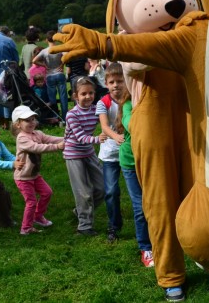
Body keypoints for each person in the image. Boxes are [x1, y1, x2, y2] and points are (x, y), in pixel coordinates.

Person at [63, 77, 107, 236]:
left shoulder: (96, 110)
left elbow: (106, 122)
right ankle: (84, 226)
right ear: (75, 96)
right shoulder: (71, 115)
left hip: (88, 152)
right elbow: (80, 137)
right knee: (84, 192)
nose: (88, 96)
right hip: (73, 154)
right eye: (83, 94)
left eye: (91, 93)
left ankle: (80, 210)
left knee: (103, 188)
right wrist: (98, 139)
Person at [116, 88, 154, 267]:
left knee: (155, 203)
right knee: (140, 207)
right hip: (131, 163)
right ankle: (146, 248)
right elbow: (132, 124)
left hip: (151, 162)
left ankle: (159, 241)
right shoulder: (128, 105)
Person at [11, 105, 64, 235]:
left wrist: (67, 139)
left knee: (47, 193)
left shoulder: (37, 133)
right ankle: (26, 228)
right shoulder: (22, 138)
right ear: (18, 124)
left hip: (34, 175)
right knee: (31, 202)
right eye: (27, 120)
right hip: (23, 177)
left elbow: (51, 138)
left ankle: (38, 216)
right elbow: (37, 148)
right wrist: (57, 147)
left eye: (33, 119)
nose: (32, 122)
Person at [95, 63, 126, 242]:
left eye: (119, 81)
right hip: (110, 154)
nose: (116, 85)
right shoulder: (103, 102)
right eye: (112, 82)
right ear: (106, 84)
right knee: (111, 191)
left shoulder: (131, 99)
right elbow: (104, 126)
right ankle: (114, 225)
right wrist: (116, 136)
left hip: (131, 152)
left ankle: (145, 223)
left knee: (140, 190)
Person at [32, 30, 69, 120]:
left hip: (50, 76)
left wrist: (44, 65)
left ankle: (55, 116)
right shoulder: (60, 48)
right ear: (56, 39)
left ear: (46, 40)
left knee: (52, 99)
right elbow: (67, 56)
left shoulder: (44, 51)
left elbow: (34, 61)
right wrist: (62, 65)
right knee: (63, 97)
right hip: (60, 74)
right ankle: (65, 117)